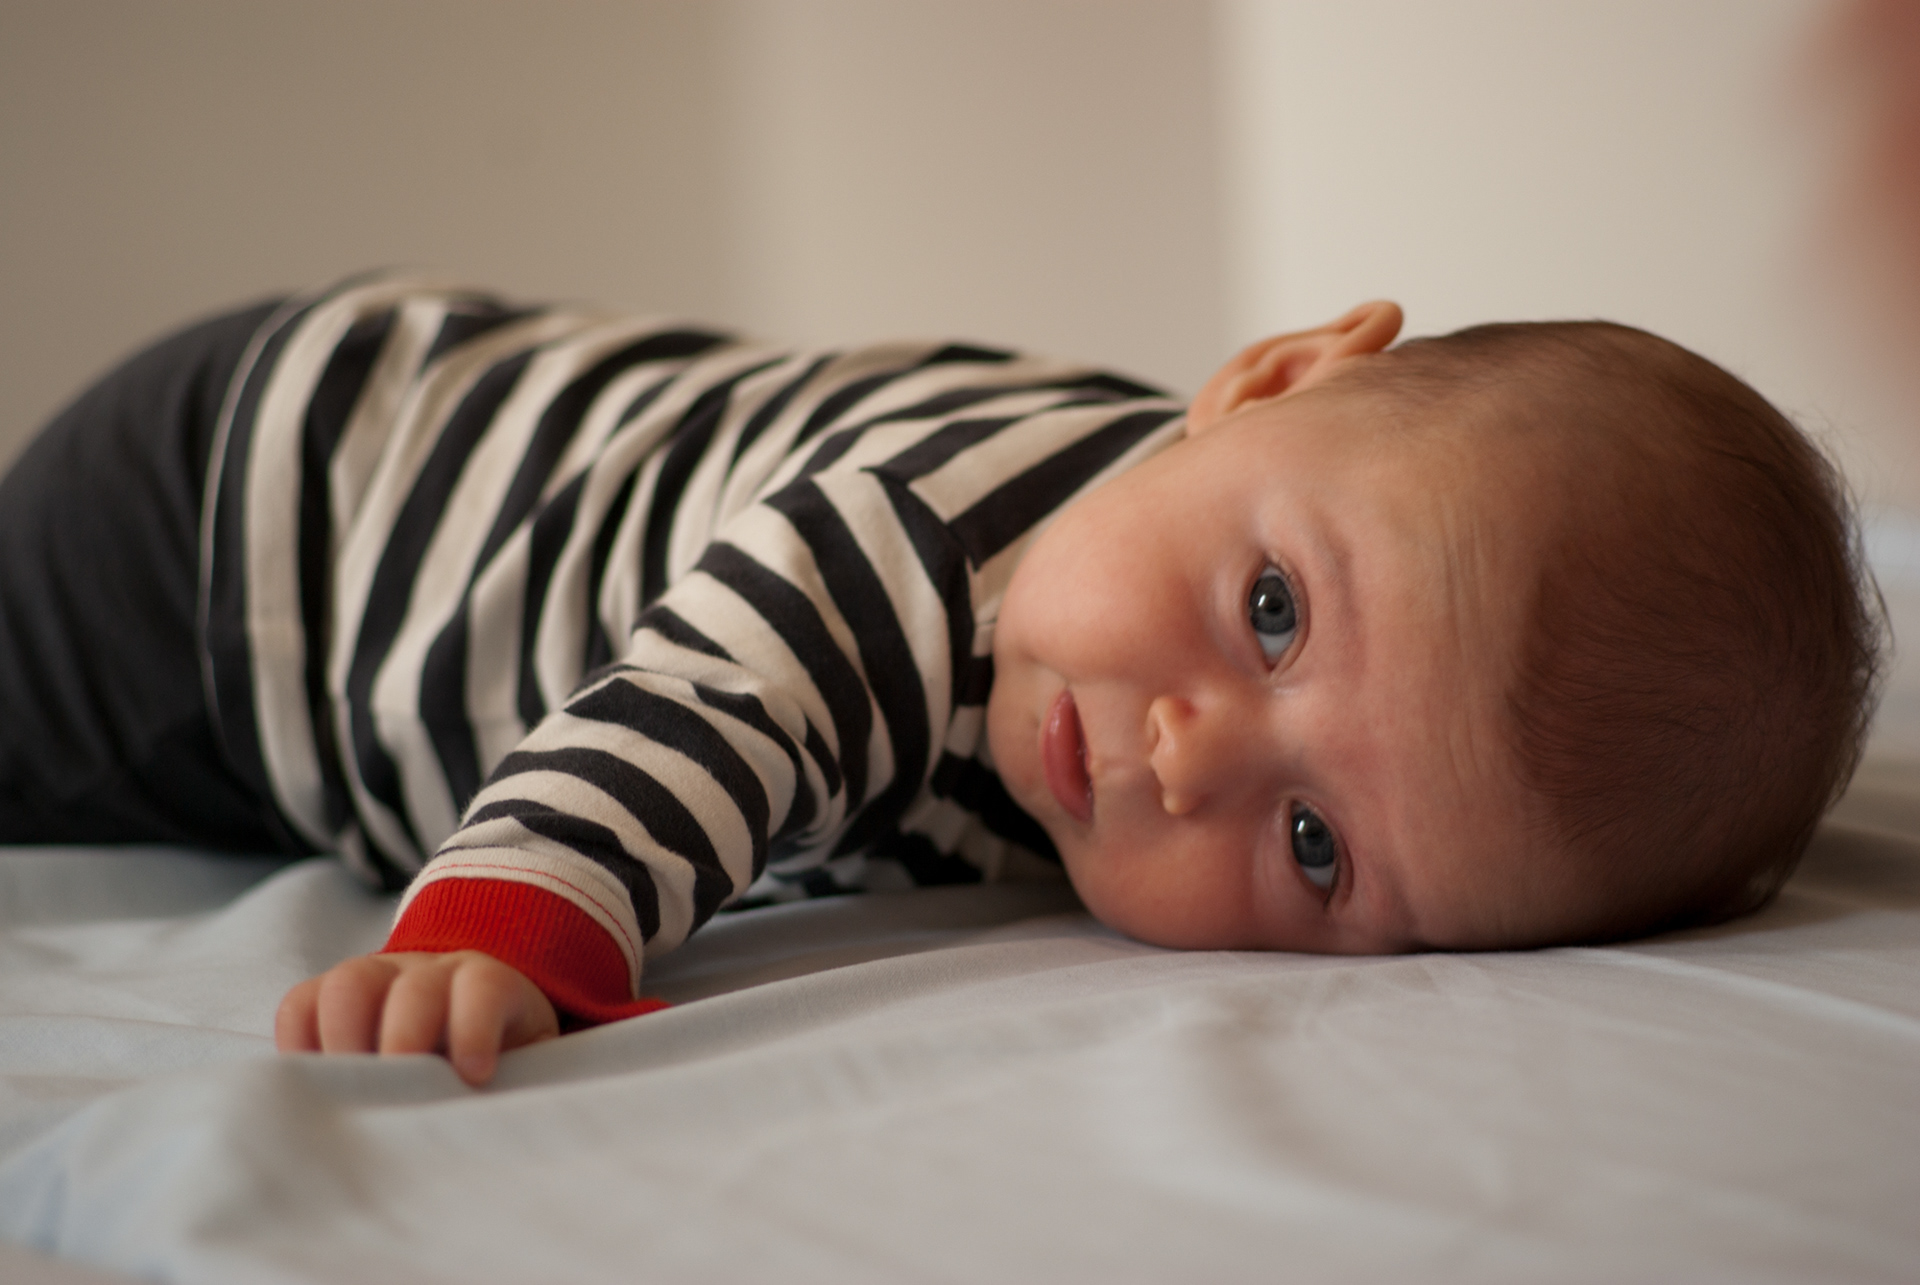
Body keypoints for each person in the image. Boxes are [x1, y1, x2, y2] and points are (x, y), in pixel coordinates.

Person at [0, 273, 1878, 1087]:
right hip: (258, 535)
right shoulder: (917, 544)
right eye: (1273, 612)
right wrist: (514, 924)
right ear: (1274, 380)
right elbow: (712, 698)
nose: (1186, 754)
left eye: (1316, 844)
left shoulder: (1158, 567)